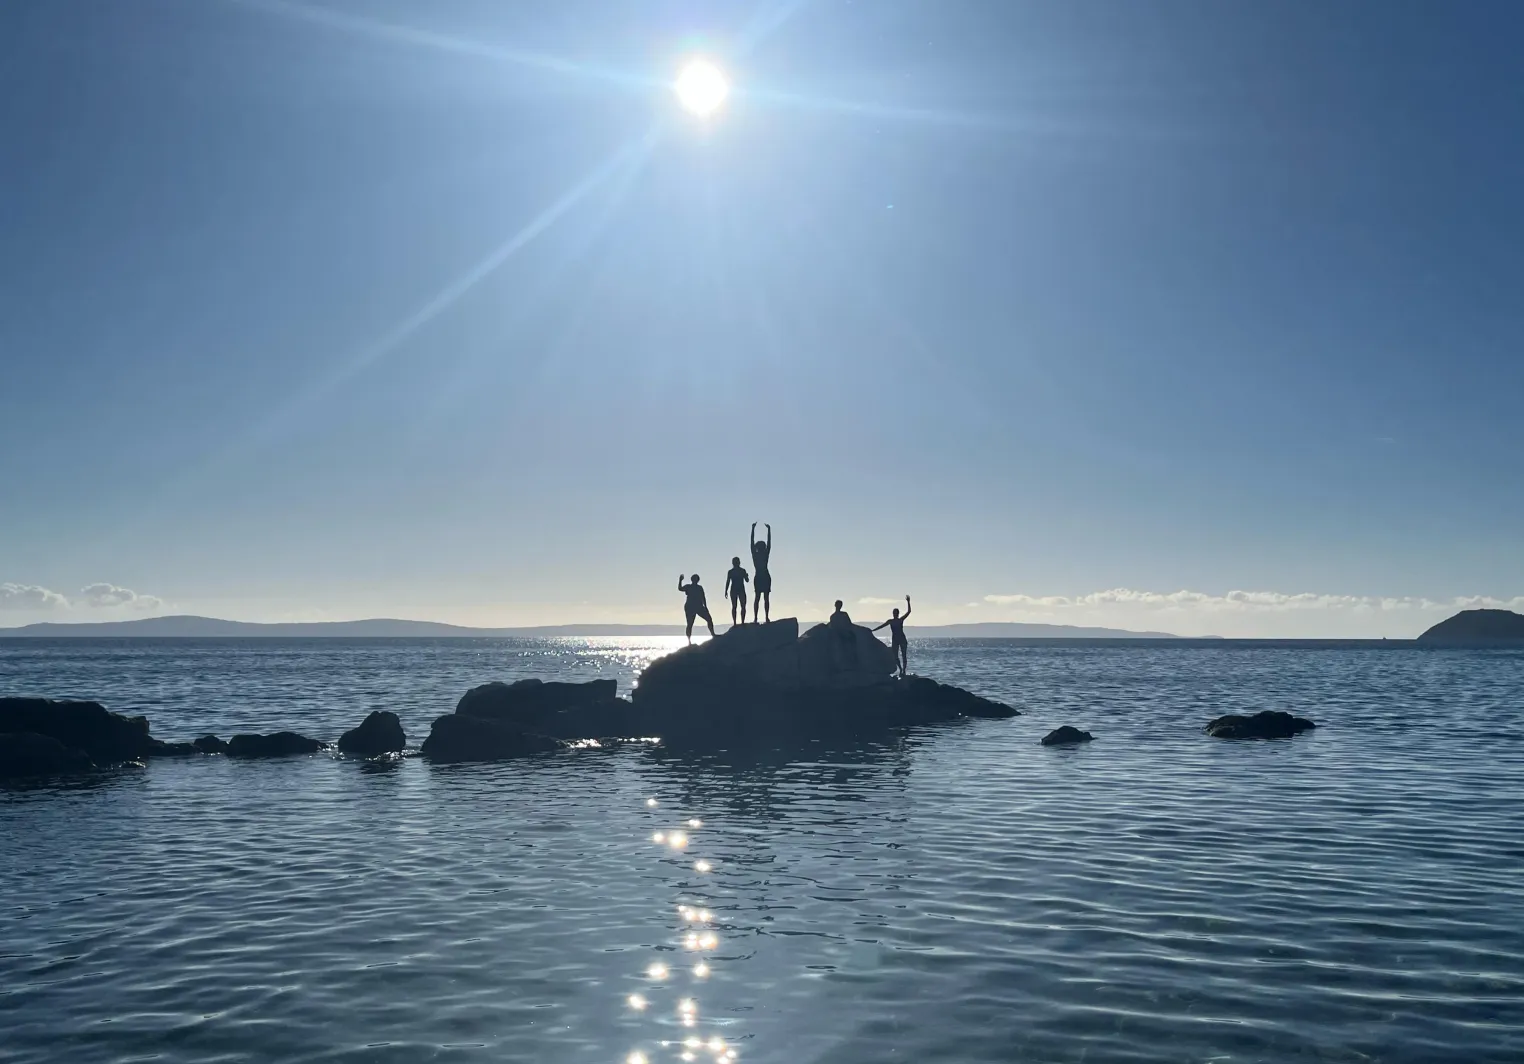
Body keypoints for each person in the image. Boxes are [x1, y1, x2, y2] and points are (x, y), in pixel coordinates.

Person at [873, 596, 913, 678]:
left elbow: (909, 612)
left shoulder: (900, 620)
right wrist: (873, 630)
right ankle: (901, 669)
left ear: (897, 614)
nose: (894, 614)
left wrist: (908, 602)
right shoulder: (890, 621)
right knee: (895, 656)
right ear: (893, 613)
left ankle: (903, 671)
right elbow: (882, 626)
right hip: (895, 640)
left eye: (896, 613)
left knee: (904, 655)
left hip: (902, 639)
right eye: (893, 613)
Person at [678, 573, 715, 642]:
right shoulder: (688, 586)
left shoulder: (699, 588)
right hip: (690, 606)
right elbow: (680, 588)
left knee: (709, 619)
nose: (696, 580)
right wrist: (680, 580)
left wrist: (706, 606)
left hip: (699, 606)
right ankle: (689, 641)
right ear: (692, 580)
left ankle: (713, 634)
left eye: (697, 579)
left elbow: (703, 597)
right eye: (695, 579)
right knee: (690, 624)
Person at [750, 522, 772, 623]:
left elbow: (751, 543)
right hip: (763, 576)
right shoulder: (764, 555)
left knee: (759, 598)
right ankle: (763, 617)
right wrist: (768, 530)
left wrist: (753, 529)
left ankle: (758, 617)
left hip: (760, 576)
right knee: (763, 598)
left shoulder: (756, 555)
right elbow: (769, 543)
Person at [724, 556, 750, 626]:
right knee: (735, 606)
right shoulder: (732, 572)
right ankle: (736, 622)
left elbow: (747, 580)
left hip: (739, 590)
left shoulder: (741, 571)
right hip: (735, 590)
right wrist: (726, 590)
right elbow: (728, 581)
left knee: (741, 606)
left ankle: (741, 622)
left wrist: (746, 576)